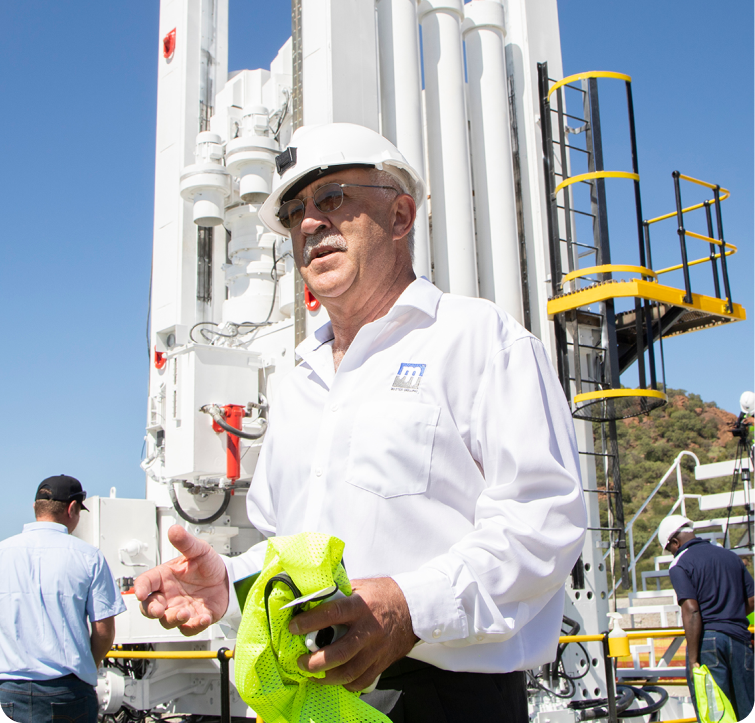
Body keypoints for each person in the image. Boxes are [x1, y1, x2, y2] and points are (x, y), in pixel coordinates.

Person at [135, 124, 587, 722]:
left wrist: (407, 610)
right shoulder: (298, 382)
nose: (309, 224)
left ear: (400, 216)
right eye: (296, 211)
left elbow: (544, 520)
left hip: (443, 699)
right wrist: (229, 585)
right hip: (309, 696)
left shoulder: (479, 340)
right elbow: (289, 549)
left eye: (333, 199)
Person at [0, 475, 126, 723]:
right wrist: (89, 665)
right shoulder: (89, 557)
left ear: (35, 507)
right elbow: (103, 631)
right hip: (68, 692)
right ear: (72, 509)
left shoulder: (3, 552)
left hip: (7, 689)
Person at [660, 514, 755, 721]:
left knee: (715, 713)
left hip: (708, 642)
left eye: (670, 549)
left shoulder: (679, 564)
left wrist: (693, 659)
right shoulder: (730, 556)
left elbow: (692, 610)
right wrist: (732, 613)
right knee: (747, 707)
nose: (671, 553)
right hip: (740, 639)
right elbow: (753, 599)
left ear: (675, 543)